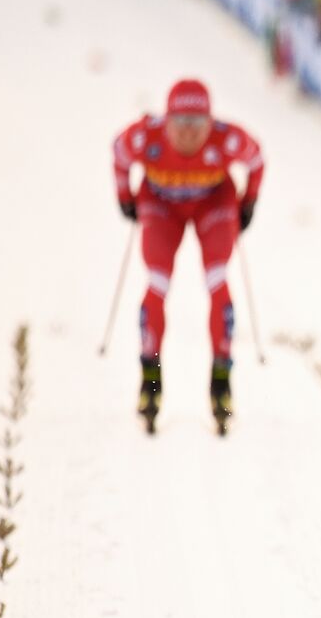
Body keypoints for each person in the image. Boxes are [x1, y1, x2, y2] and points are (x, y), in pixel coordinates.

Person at [113, 79, 263, 434]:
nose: (188, 134)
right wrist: (124, 196)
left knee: (217, 279)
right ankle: (150, 382)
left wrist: (249, 202)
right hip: (161, 203)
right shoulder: (144, 137)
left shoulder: (226, 139)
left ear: (211, 122)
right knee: (158, 281)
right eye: (180, 124)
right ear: (166, 121)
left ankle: (221, 380)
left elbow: (256, 160)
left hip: (213, 202)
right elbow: (119, 153)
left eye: (198, 125)